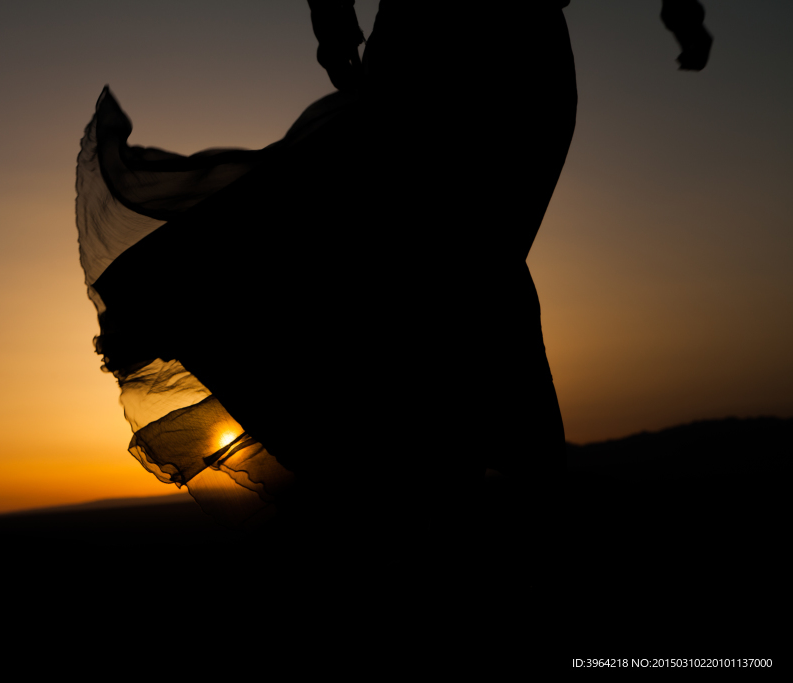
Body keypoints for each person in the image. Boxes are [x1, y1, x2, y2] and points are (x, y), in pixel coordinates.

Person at [75, 1, 712, 537]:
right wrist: (332, 18)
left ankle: (429, 465)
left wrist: (682, 9)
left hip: (520, 57)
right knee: (433, 262)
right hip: (437, 40)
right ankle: (435, 466)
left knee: (463, 268)